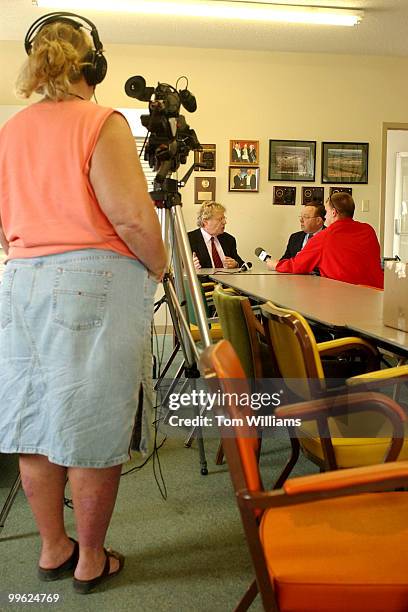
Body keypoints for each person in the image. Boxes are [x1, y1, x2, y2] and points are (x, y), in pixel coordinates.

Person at [0, 13, 167, 593]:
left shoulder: (10, 131)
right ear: (93, 65)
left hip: (19, 281)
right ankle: (91, 558)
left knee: (35, 420)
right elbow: (130, 216)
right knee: (89, 421)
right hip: (92, 279)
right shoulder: (104, 122)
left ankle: (53, 549)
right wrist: (162, 264)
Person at [267, 192, 383, 289]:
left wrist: (275, 264)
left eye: (326, 212)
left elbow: (298, 265)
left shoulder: (324, 236)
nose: (325, 217)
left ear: (333, 213)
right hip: (376, 295)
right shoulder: (368, 230)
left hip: (343, 299)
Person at [188, 201, 244, 269]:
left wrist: (236, 264)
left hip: (227, 279)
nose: (224, 222)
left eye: (224, 218)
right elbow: (178, 269)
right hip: (203, 279)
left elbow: (242, 264)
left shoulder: (229, 239)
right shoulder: (188, 239)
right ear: (205, 221)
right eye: (220, 219)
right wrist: (189, 268)